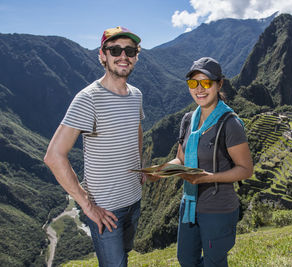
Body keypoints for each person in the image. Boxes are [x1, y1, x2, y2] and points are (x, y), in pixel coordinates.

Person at [44, 26, 145, 267]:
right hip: (107, 210)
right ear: (102, 55)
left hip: (134, 200)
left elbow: (137, 129)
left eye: (129, 50)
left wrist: (139, 166)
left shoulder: (136, 95)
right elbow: (54, 156)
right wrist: (87, 206)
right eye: (115, 50)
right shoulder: (88, 99)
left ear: (136, 56)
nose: (123, 56)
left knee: (124, 255)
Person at [159, 57, 253, 266]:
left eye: (206, 82)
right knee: (186, 259)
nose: (199, 89)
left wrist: (210, 177)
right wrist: (161, 170)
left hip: (218, 209)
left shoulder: (230, 124)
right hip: (189, 204)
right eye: (193, 83)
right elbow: (180, 158)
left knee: (214, 262)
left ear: (219, 84)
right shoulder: (188, 119)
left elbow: (246, 170)